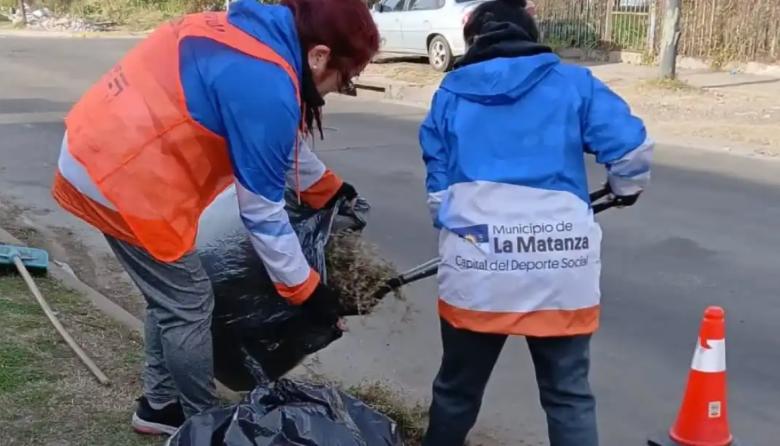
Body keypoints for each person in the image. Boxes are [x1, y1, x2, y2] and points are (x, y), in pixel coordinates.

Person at [51, 0, 378, 435]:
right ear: (318, 55)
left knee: (170, 296)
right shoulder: (267, 82)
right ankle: (200, 424)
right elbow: (263, 215)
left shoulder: (250, 38)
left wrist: (328, 189)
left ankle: (158, 406)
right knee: (189, 304)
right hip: (117, 176)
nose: (341, 87)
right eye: (347, 77)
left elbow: (272, 144)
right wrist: (308, 292)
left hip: (102, 152)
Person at [418, 0, 653, 444]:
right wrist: (624, 189)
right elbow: (632, 151)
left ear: (472, 42)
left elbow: (439, 200)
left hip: (479, 270)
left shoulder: (449, 95)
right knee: (567, 396)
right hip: (560, 267)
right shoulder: (574, 82)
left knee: (457, 391)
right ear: (530, 33)